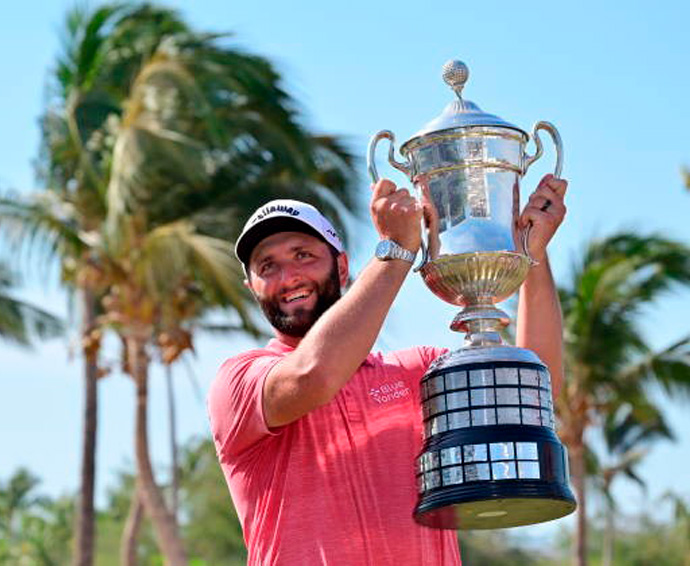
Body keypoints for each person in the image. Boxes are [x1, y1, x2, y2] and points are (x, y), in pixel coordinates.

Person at [207, 174, 568, 565]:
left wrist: (533, 255)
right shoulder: (240, 381)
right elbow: (313, 375)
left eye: (302, 256)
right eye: (267, 266)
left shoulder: (417, 372)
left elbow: (532, 396)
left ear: (342, 267)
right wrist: (396, 251)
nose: (288, 277)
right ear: (252, 287)